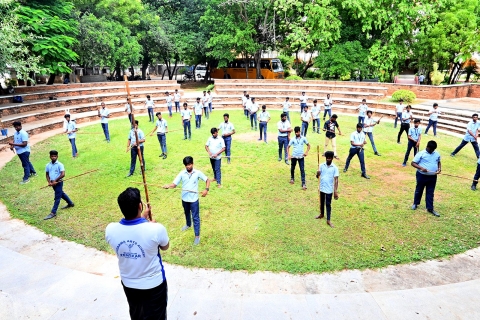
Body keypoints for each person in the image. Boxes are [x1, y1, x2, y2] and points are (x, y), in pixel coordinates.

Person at [105, 187, 169, 319]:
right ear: (140, 205)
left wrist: (143, 219)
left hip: (129, 284)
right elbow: (165, 247)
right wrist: (148, 224)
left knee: (136, 315)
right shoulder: (156, 229)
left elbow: (131, 228)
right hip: (154, 285)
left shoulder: (110, 230)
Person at [163, 156, 210, 245]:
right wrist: (168, 186)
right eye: (186, 165)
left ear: (192, 164)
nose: (188, 166)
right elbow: (174, 184)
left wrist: (206, 190)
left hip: (194, 200)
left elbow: (207, 180)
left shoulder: (197, 173)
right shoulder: (182, 173)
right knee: (187, 212)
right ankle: (188, 224)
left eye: (189, 164)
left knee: (195, 217)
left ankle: (197, 236)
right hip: (184, 199)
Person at [411, 140, 441, 217]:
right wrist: (421, 168)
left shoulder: (436, 154)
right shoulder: (421, 153)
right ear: (427, 147)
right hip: (422, 175)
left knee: (430, 192)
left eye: (433, 150)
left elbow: (438, 162)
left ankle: (430, 208)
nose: (432, 151)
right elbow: (413, 163)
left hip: (432, 177)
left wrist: (439, 169)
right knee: (419, 190)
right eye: (431, 149)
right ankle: (415, 203)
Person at [43, 150, 74, 220]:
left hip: (58, 182)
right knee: (61, 194)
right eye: (52, 156)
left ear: (57, 156)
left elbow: (63, 174)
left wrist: (55, 180)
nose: (53, 157)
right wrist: (49, 182)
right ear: (50, 157)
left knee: (57, 197)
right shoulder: (48, 165)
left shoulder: (60, 164)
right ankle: (70, 203)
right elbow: (47, 174)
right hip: (53, 183)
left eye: (55, 156)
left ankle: (53, 212)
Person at [315, 151, 339, 228]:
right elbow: (317, 176)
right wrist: (317, 174)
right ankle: (321, 214)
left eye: (330, 158)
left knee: (328, 204)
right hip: (322, 187)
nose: (328, 159)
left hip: (329, 189)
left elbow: (336, 180)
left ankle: (328, 220)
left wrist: (335, 191)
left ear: (332, 158)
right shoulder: (321, 165)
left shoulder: (335, 168)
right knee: (321, 202)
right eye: (327, 158)